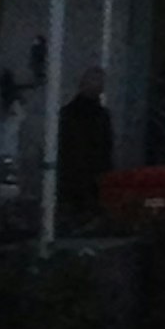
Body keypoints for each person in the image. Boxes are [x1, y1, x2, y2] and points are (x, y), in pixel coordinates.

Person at [55, 64, 115, 229]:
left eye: (99, 83)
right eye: (94, 82)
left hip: (85, 174)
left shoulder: (98, 115)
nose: (97, 87)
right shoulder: (71, 114)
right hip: (76, 173)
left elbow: (106, 146)